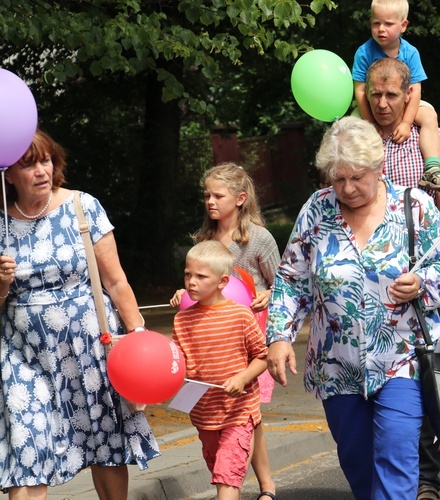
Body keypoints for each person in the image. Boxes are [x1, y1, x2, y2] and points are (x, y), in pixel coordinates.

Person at [265, 117, 440, 500]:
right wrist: (280, 337)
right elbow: (292, 278)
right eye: (338, 179)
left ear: (379, 167)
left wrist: (422, 283)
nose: (347, 188)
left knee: (397, 458)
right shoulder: (317, 211)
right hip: (335, 364)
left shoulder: (415, 206)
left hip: (401, 359)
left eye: (356, 178)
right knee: (357, 463)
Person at [0, 130, 160, 498]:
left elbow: (117, 282)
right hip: (25, 358)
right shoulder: (1, 223)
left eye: (46, 160)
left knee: (105, 447)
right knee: (27, 450)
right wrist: (2, 283)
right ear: (8, 173)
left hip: (90, 350)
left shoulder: (82, 207)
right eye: (28, 164)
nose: (41, 171)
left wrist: (139, 339)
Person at [364, 56, 440, 499]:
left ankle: (426, 479)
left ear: (409, 95)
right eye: (375, 94)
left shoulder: (432, 139)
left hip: (424, 287)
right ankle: (384, 474)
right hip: (368, 295)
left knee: (426, 380)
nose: (383, 104)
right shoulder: (359, 141)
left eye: (391, 95)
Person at [169, 163, 280, 500]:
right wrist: (182, 293)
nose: (210, 202)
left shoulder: (259, 238)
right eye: (207, 195)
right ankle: (249, 480)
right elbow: (199, 282)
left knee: (249, 410)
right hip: (212, 334)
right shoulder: (205, 239)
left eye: (218, 195)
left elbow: (287, 283)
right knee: (245, 414)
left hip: (249, 330)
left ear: (240, 199)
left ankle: (263, 484)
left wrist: (270, 293)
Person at [172, 240, 269, 500]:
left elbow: (262, 356)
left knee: (227, 480)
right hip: (204, 415)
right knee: (218, 472)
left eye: (201, 276)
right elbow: (176, 362)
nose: (191, 281)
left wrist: (243, 377)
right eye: (188, 274)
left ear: (222, 282)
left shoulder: (240, 315)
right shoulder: (181, 320)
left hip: (239, 412)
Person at [352, 0, 440, 194]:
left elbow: (415, 92)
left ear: (403, 25)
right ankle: (352, 173)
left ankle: (432, 168)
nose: (381, 29)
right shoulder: (364, 52)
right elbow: (361, 91)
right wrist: (369, 122)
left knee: (430, 116)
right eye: (376, 23)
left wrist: (406, 122)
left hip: (406, 101)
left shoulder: (410, 52)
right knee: (348, 128)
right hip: (369, 103)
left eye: (388, 24)